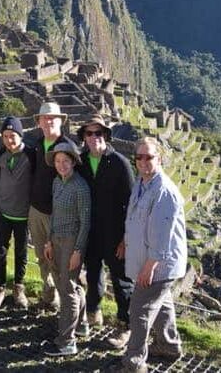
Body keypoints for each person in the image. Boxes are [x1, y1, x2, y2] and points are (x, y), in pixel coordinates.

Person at [119, 137, 187, 372]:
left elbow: (161, 237)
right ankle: (169, 346)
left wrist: (149, 268)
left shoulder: (164, 191)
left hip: (158, 264)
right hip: (149, 259)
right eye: (139, 157)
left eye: (149, 157)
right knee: (163, 303)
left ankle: (135, 362)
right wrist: (126, 242)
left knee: (139, 312)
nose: (143, 161)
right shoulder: (142, 182)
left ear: (160, 159)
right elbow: (135, 218)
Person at [77, 115, 135, 340]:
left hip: (115, 232)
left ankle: (125, 324)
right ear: (83, 137)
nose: (93, 138)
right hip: (90, 231)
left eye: (98, 133)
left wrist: (126, 239)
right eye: (89, 134)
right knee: (93, 274)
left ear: (106, 136)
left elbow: (131, 204)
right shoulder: (80, 161)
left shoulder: (119, 163)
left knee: (121, 279)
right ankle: (93, 312)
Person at [43, 142, 91, 357]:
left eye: (65, 161)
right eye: (58, 161)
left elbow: (85, 221)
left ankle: (66, 341)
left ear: (73, 162)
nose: (61, 165)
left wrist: (78, 251)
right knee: (72, 286)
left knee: (67, 289)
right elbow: (53, 213)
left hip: (72, 241)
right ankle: (80, 325)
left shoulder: (80, 187)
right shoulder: (56, 182)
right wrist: (48, 241)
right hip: (56, 239)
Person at [28, 102, 72, 311]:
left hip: (57, 214)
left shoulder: (67, 148)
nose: (48, 122)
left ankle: (68, 306)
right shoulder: (37, 144)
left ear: (60, 121)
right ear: (39, 123)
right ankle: (48, 296)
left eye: (52, 118)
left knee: (57, 260)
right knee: (41, 257)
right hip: (36, 210)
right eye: (44, 118)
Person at [0, 116, 34, 310]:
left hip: (23, 214)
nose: (9, 139)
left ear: (20, 135)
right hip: (2, 211)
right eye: (5, 136)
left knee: (21, 253)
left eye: (13, 135)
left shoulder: (32, 155)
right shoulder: (0, 155)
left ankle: (18, 288)